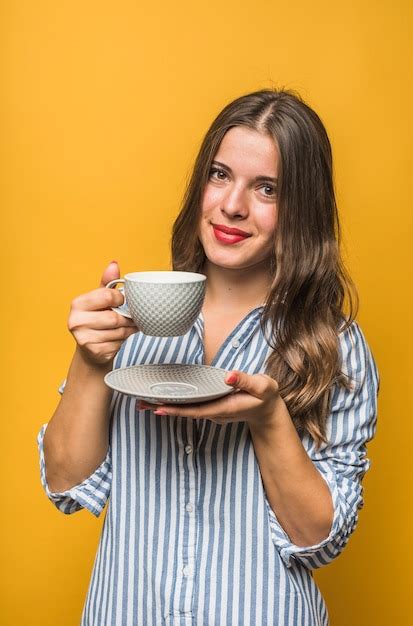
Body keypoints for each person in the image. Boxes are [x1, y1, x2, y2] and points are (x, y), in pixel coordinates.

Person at [37, 88, 379, 626]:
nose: (233, 205)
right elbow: (65, 484)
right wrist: (89, 361)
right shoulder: (133, 322)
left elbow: (319, 540)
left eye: (267, 188)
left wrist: (268, 420)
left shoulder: (332, 345)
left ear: (301, 208)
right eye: (220, 175)